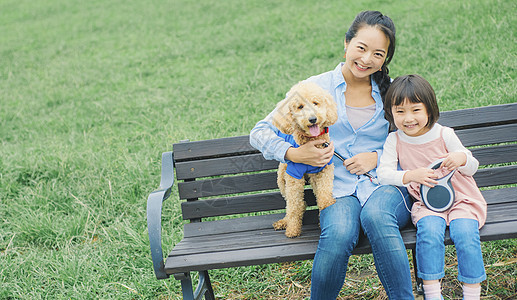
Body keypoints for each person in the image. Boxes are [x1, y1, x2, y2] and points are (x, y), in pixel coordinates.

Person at [250, 11, 415, 299]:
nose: (366, 60)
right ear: (347, 44)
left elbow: (418, 135)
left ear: (385, 59)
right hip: (336, 189)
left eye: (378, 54)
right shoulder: (315, 87)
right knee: (338, 233)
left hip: (385, 183)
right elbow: (259, 132)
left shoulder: (391, 92)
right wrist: (294, 153)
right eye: (361, 48)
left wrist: (376, 157)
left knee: (378, 217)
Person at [377, 74, 487, 300]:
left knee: (466, 234)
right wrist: (410, 175)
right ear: (390, 112)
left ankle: (472, 294)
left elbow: (472, 166)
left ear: (429, 109)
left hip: (461, 199)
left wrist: (461, 159)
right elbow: (383, 174)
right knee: (428, 233)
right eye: (400, 111)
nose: (408, 118)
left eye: (415, 110)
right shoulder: (394, 140)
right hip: (427, 203)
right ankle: (432, 293)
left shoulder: (443, 134)